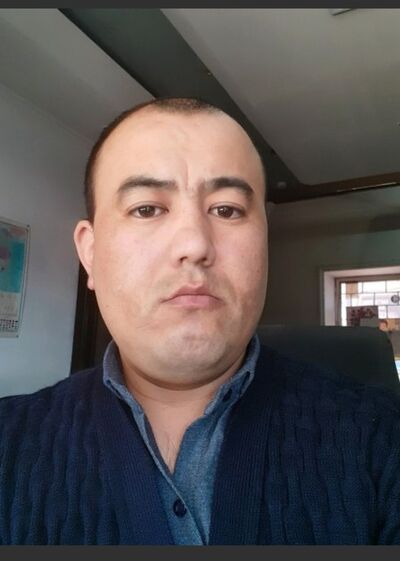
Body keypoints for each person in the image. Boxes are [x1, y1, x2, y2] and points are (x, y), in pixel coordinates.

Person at [1, 97, 399, 545]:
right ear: (90, 253)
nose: (194, 244)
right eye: (147, 209)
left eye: (227, 209)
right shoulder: (8, 445)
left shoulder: (383, 438)